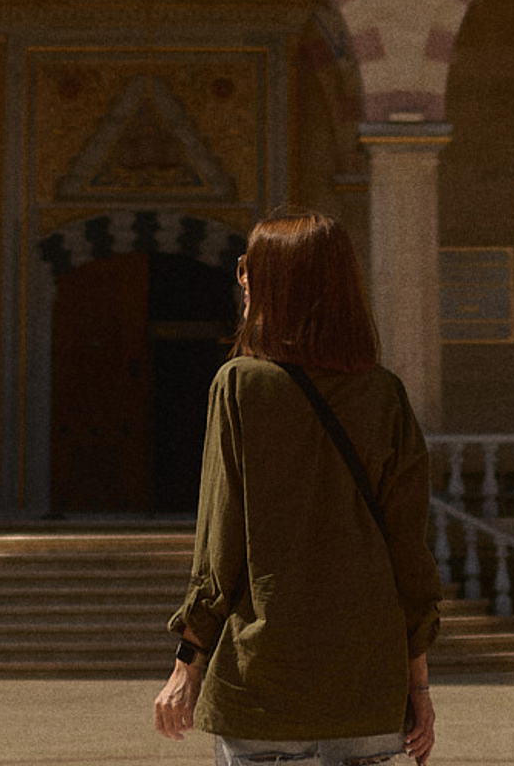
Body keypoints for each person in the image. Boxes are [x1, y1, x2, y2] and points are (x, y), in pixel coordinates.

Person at [154, 207, 442, 766]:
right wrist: (419, 689)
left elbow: (220, 545)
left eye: (250, 267)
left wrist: (186, 664)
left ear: (275, 284)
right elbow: (410, 555)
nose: (241, 279)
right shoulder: (383, 392)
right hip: (367, 682)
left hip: (267, 683)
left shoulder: (239, 384)